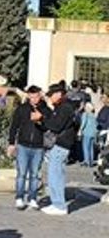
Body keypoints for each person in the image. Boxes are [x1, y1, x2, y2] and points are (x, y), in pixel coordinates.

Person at [8, 84, 50, 210]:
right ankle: (19, 197)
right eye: (31, 97)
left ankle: (33, 198)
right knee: (21, 173)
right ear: (28, 96)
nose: (34, 100)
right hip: (23, 145)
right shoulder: (22, 109)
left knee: (35, 174)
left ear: (40, 96)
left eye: (36, 97)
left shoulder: (45, 110)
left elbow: (48, 127)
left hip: (38, 146)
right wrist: (11, 143)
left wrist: (40, 120)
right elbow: (14, 126)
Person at [42, 81, 80, 216]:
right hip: (62, 144)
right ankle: (57, 203)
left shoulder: (64, 108)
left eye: (51, 95)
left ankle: (59, 205)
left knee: (55, 176)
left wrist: (42, 119)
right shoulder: (65, 107)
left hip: (60, 145)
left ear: (58, 94)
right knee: (55, 174)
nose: (49, 98)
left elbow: (55, 126)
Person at [84, 101, 101, 168]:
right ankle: (91, 161)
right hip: (93, 133)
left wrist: (80, 131)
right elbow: (96, 124)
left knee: (86, 147)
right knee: (91, 148)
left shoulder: (85, 114)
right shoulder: (94, 115)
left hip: (86, 133)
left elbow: (83, 123)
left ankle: (87, 162)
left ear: (87, 108)